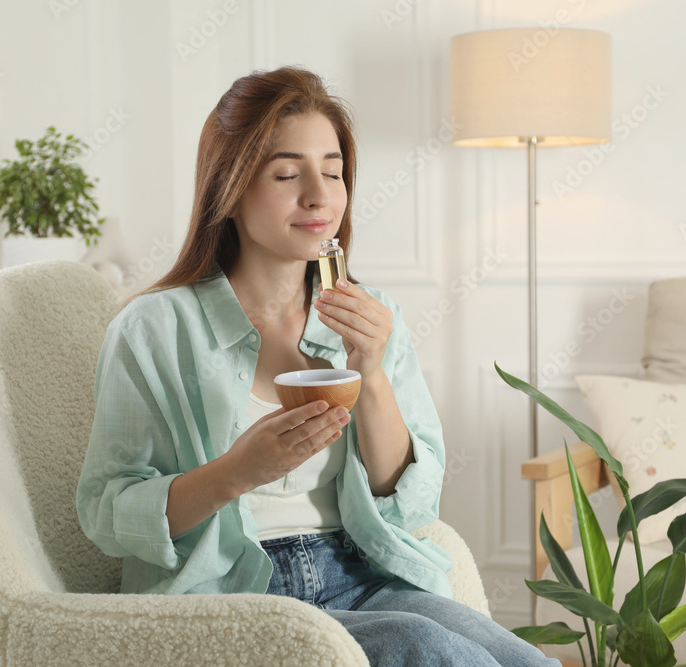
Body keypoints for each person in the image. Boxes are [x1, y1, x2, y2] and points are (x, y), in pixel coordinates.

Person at [76, 66, 559, 666]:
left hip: (361, 573)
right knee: (424, 648)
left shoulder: (371, 315)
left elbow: (410, 506)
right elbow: (107, 510)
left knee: (528, 661)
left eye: (333, 172)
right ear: (229, 189)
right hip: (230, 592)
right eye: (287, 174)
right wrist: (235, 472)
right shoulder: (154, 329)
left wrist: (371, 372)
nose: (319, 195)